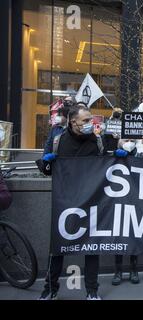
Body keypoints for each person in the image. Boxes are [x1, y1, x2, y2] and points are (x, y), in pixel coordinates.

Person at [39, 103, 105, 300]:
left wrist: (121, 156)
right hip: (65, 202)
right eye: (85, 121)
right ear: (72, 121)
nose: (89, 124)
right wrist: (47, 162)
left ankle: (92, 292)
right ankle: (50, 290)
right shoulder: (58, 140)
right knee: (58, 248)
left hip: (91, 201)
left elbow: (108, 166)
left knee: (93, 247)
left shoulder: (98, 141)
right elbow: (45, 168)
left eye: (90, 120)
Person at [111, 136, 143, 286]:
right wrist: (116, 153)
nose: (127, 143)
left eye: (130, 140)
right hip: (118, 203)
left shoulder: (140, 155)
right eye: (125, 140)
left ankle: (133, 270)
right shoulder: (115, 156)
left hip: (135, 203)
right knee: (119, 238)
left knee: (134, 237)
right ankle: (118, 271)